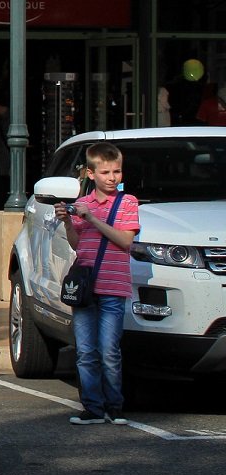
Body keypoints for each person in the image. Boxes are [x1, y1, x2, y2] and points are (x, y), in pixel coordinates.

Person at [57, 142, 140, 425]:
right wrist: (68, 222)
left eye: (116, 171)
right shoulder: (83, 204)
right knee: (85, 351)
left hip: (113, 287)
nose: (112, 177)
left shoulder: (127, 202)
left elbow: (125, 241)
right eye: (105, 172)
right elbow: (78, 246)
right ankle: (92, 407)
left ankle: (115, 406)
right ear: (90, 174)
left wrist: (91, 218)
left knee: (109, 350)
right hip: (86, 287)